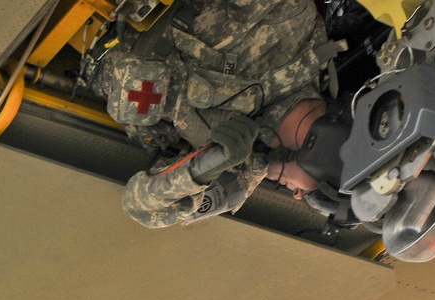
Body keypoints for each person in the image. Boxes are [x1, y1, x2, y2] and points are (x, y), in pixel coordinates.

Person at [91, 0, 338, 226]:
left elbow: (140, 207)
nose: (296, 195)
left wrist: (203, 170)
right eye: (310, 192)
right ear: (332, 152)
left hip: (93, 51)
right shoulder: (292, 25)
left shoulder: (241, 176)